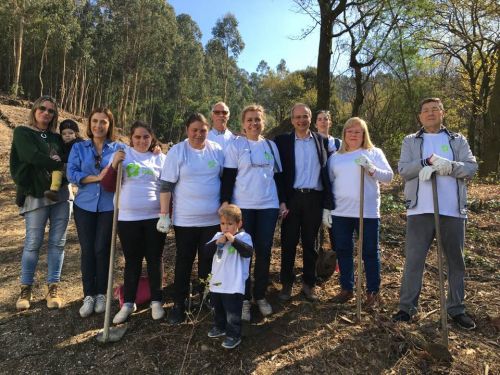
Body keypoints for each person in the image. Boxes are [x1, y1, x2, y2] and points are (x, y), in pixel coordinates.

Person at [392, 97, 478, 330]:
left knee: (455, 262)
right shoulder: (411, 140)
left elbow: (471, 166)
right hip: (420, 210)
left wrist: (450, 166)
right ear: (419, 116)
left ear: (443, 113)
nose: (430, 113)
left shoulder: (456, 139)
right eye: (426, 111)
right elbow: (403, 169)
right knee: (414, 260)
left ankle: (456, 308)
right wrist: (425, 162)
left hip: (452, 210)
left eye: (435, 109)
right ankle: (406, 308)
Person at [157, 113, 224, 324]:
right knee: (184, 261)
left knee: (208, 261)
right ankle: (179, 303)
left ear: (208, 130)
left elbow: (224, 179)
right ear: (187, 130)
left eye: (202, 130)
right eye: (194, 130)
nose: (198, 134)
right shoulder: (178, 151)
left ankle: (204, 297)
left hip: (211, 220)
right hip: (185, 220)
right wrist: (164, 215)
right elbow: (166, 185)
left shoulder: (217, 150)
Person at [220, 104, 284, 321]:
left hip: (268, 206)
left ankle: (261, 296)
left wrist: (282, 202)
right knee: (244, 252)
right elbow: (228, 176)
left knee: (264, 251)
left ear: (263, 122)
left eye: (257, 119)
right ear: (243, 123)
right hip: (243, 207)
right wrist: (226, 203)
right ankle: (245, 299)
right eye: (249, 120)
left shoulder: (271, 146)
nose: (254, 123)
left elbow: (278, 178)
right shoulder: (235, 146)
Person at [100, 121, 167, 323]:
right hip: (128, 218)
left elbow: (167, 186)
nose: (141, 141)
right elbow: (108, 185)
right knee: (133, 260)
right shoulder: (122, 155)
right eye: (137, 137)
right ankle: (128, 302)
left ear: (152, 138)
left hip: (155, 217)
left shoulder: (160, 158)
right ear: (131, 138)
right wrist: (113, 165)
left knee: (155, 258)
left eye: (146, 137)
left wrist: (167, 213)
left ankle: (157, 300)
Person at [10, 95, 70, 311]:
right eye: (42, 108)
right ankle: (25, 287)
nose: (46, 113)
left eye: (51, 111)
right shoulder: (22, 132)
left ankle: (53, 285)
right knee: (33, 242)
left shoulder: (57, 137)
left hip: (61, 195)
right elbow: (31, 156)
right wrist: (62, 165)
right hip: (36, 195)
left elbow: (72, 151)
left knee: (58, 242)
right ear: (35, 109)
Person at [327, 117, 393, 305]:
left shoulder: (373, 152)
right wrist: (328, 209)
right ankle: (347, 288)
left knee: (370, 252)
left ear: (364, 134)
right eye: (350, 131)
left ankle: (373, 292)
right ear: (344, 134)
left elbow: (388, 177)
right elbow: (330, 183)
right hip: (341, 212)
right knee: (344, 250)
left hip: (368, 212)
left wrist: (371, 169)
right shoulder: (335, 157)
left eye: (358, 131)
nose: (353, 135)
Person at [274, 103, 332, 302]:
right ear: (292, 120)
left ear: (310, 119)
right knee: (288, 243)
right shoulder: (282, 142)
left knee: (311, 243)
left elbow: (329, 171)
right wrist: (282, 201)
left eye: (305, 116)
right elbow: (278, 176)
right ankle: (287, 284)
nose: (301, 120)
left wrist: (327, 203)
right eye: (297, 117)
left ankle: (309, 284)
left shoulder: (322, 141)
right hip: (292, 199)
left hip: (314, 199)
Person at [67, 108, 122, 318]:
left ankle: (102, 293)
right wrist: (97, 178)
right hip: (84, 205)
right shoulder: (79, 148)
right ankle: (88, 294)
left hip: (109, 206)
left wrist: (154, 149)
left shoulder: (118, 148)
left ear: (110, 125)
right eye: (95, 121)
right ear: (90, 124)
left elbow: (138, 152)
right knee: (88, 249)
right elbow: (71, 174)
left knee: (102, 249)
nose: (99, 126)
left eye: (104, 122)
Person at [205, 204, 253, 349]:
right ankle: (220, 327)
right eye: (223, 223)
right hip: (217, 282)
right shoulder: (217, 236)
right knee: (217, 307)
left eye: (230, 224)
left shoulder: (244, 237)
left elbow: (248, 252)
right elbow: (205, 253)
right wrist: (217, 244)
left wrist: (233, 240)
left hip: (234, 284)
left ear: (239, 224)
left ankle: (234, 335)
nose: (225, 228)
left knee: (232, 312)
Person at [44, 119, 84, 202]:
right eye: (64, 134)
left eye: (70, 133)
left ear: (76, 134)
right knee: (57, 170)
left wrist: (61, 158)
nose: (67, 135)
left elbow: (73, 155)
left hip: (78, 167)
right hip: (69, 167)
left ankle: (54, 189)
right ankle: (54, 190)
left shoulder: (78, 143)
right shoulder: (64, 144)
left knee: (58, 168)